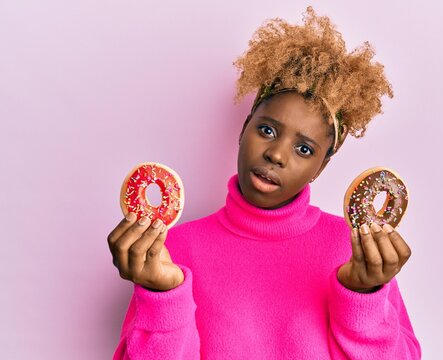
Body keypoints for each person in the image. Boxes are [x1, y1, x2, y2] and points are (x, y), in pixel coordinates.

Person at [108, 6, 421, 359]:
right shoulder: (171, 250)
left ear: (321, 166)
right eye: (267, 130)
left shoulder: (354, 250)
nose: (276, 154)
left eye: (304, 148)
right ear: (244, 130)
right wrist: (162, 295)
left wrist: (363, 297)